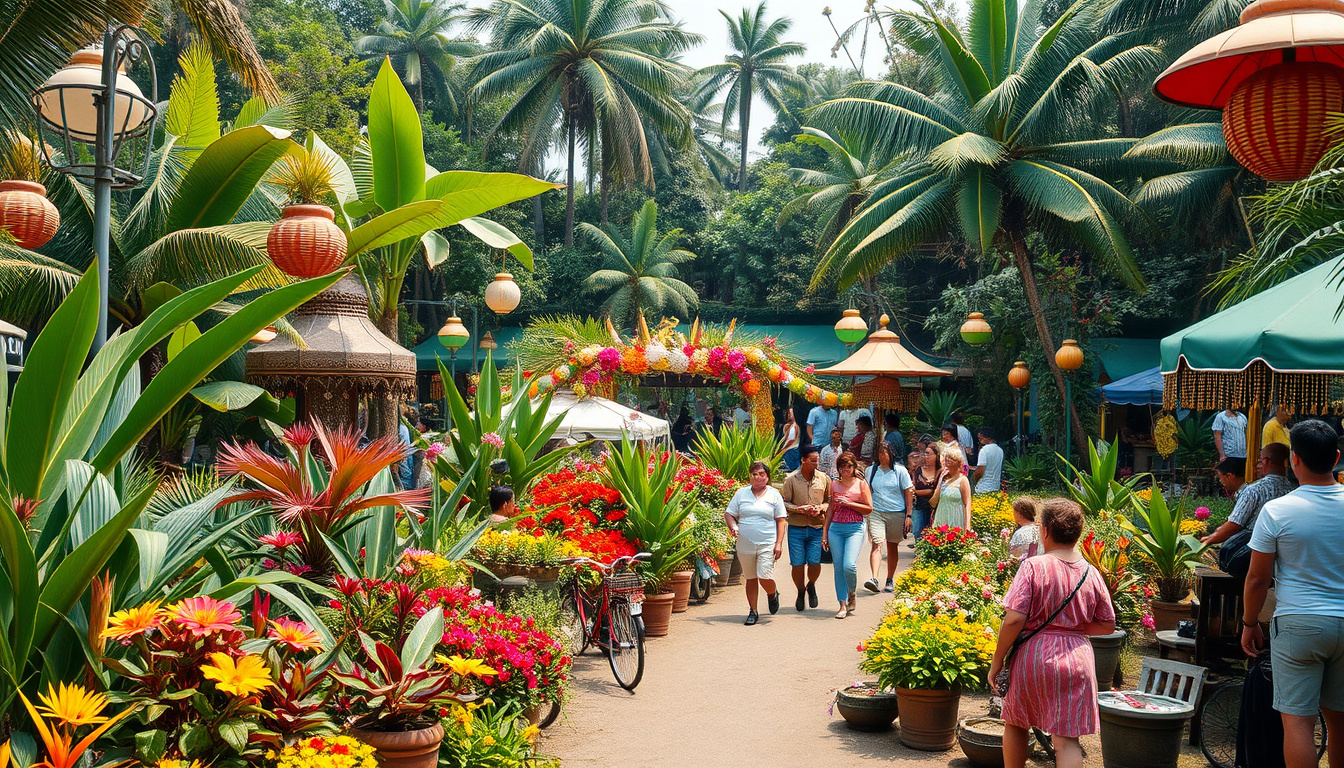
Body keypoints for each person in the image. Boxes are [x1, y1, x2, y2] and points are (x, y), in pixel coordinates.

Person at [1242, 420, 1344, 768]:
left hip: (1298, 623)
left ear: (1294, 460)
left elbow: (1257, 579)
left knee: (1298, 722)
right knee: (1340, 719)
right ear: (1337, 458)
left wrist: (1248, 622)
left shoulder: (1278, 510)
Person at [988, 498, 1117, 768]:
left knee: (1016, 723)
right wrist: (1074, 627)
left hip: (1034, 657)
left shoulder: (1034, 566)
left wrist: (997, 661)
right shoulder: (1090, 573)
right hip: (1077, 658)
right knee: (1067, 740)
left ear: (1045, 531)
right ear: (1077, 533)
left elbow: (1014, 619)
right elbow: (1107, 624)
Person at [724, 461, 788, 626]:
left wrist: (779, 543)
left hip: (767, 542)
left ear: (767, 477)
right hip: (745, 543)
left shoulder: (774, 495)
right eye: (754, 474)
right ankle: (753, 611)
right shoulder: (741, 493)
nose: (758, 477)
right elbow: (729, 514)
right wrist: (733, 526)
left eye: (761, 474)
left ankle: (772, 593)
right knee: (751, 577)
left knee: (764, 576)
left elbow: (781, 520)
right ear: (750, 476)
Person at [1206, 444, 1293, 547]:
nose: (1258, 466)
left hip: (1255, 551)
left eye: (1260, 461)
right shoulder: (1294, 490)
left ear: (1266, 461)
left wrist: (1207, 541)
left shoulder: (1254, 490)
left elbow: (1234, 526)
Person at [822, 452, 872, 619]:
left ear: (854, 467)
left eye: (849, 466)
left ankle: (852, 592)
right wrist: (824, 534)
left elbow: (869, 508)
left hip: (855, 527)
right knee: (838, 567)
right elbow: (830, 510)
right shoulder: (834, 484)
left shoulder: (861, 484)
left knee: (849, 565)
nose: (845, 470)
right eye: (842, 467)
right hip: (836, 528)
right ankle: (842, 604)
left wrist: (849, 503)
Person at [780, 445, 830, 612]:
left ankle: (811, 584)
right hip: (796, 527)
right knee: (797, 564)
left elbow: (829, 500)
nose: (816, 463)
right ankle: (801, 591)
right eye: (813, 460)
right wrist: (799, 509)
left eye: (817, 460)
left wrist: (821, 508)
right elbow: (784, 503)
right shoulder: (791, 479)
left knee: (815, 563)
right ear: (803, 460)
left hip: (817, 526)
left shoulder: (823, 478)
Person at [862, 443, 914, 593]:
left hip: (896, 512)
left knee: (892, 546)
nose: (882, 456)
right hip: (876, 512)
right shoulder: (871, 471)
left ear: (891, 454)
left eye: (885, 453)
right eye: (879, 453)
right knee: (877, 543)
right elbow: (867, 490)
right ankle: (874, 578)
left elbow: (908, 493)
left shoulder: (900, 471)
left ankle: (890, 578)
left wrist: (908, 515)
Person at [931, 446, 973, 529]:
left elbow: (967, 504)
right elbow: (933, 503)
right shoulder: (944, 479)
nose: (948, 459)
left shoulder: (963, 480)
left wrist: (967, 526)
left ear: (958, 462)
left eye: (951, 457)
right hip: (941, 521)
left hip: (956, 521)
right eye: (946, 457)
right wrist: (940, 481)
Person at [910, 446, 938, 543]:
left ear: (936, 456)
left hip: (935, 507)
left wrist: (919, 492)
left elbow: (936, 490)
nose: (926, 456)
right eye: (925, 453)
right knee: (917, 531)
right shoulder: (918, 470)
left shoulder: (940, 471)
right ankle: (919, 552)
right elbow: (912, 487)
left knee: (933, 532)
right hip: (919, 505)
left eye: (928, 454)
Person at [1008, 497, 1042, 561]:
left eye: (1014, 512)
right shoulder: (1041, 530)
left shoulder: (1020, 533)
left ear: (1019, 514)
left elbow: (1014, 559)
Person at [973, 427, 1005, 494]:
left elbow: (980, 471)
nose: (979, 440)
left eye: (980, 438)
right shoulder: (1000, 450)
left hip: (983, 488)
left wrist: (975, 481)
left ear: (987, 437)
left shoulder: (984, 450)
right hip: (996, 487)